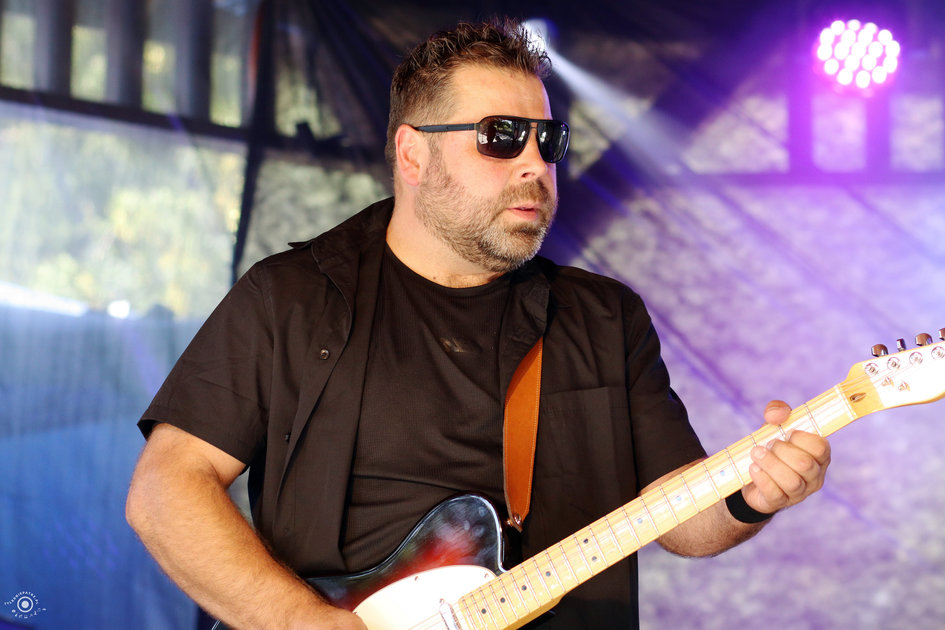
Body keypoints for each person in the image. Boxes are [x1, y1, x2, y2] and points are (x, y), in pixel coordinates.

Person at [126, 19, 831, 630]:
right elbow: (166, 491)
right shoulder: (292, 296)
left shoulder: (604, 318)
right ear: (413, 153)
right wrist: (300, 621)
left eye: (548, 140)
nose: (533, 164)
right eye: (500, 137)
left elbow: (676, 517)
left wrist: (751, 496)